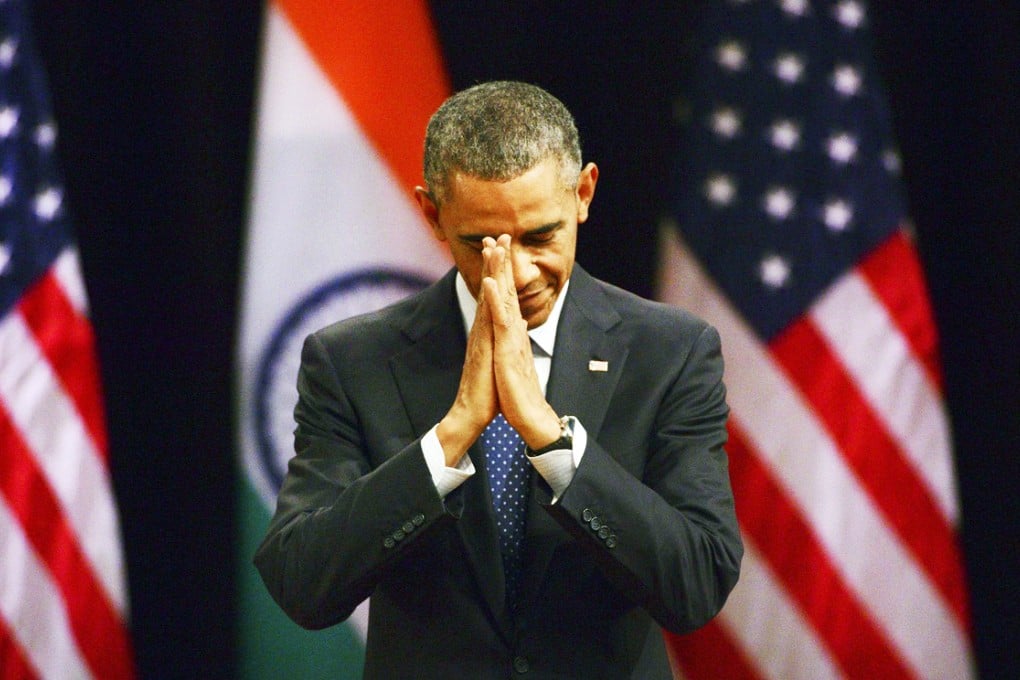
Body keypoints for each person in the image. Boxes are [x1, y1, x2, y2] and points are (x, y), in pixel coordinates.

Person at [254, 81, 742, 679]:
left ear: (584, 193)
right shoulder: (351, 361)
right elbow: (303, 584)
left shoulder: (670, 352)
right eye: (483, 244)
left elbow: (696, 584)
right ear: (433, 214)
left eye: (541, 236)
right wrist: (450, 436)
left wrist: (550, 440)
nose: (515, 273)